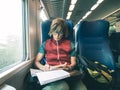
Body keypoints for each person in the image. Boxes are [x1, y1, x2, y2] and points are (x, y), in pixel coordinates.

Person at [35, 18, 87, 90]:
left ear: (64, 33)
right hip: (53, 74)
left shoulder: (70, 44)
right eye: (55, 33)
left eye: (60, 33)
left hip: (68, 73)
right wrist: (43, 67)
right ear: (52, 31)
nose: (57, 36)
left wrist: (70, 67)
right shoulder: (45, 44)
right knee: (63, 87)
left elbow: (73, 63)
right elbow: (37, 61)